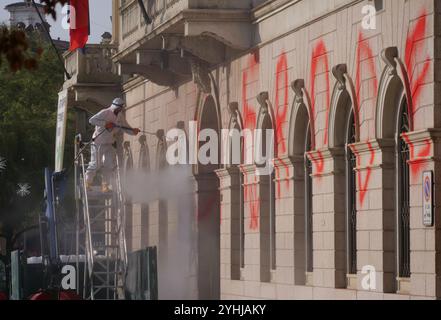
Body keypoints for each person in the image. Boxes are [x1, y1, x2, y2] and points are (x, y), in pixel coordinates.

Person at [85, 98, 140, 192]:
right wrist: (106, 124)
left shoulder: (120, 116)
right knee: (96, 164)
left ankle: (105, 185)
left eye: (121, 108)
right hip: (98, 142)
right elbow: (92, 120)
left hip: (109, 143)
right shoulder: (105, 112)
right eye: (119, 108)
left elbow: (125, 127)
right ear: (115, 107)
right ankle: (87, 183)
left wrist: (133, 131)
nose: (120, 110)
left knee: (110, 165)